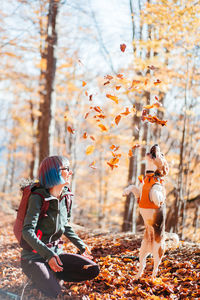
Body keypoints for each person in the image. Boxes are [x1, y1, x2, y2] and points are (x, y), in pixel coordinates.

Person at [21, 155, 99, 298]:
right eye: (67, 169)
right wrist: (48, 255)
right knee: (57, 294)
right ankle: (43, 278)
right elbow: (27, 231)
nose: (71, 172)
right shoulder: (38, 197)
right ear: (54, 172)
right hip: (33, 257)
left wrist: (81, 245)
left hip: (57, 254)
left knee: (93, 269)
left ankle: (51, 275)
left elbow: (65, 225)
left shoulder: (65, 197)